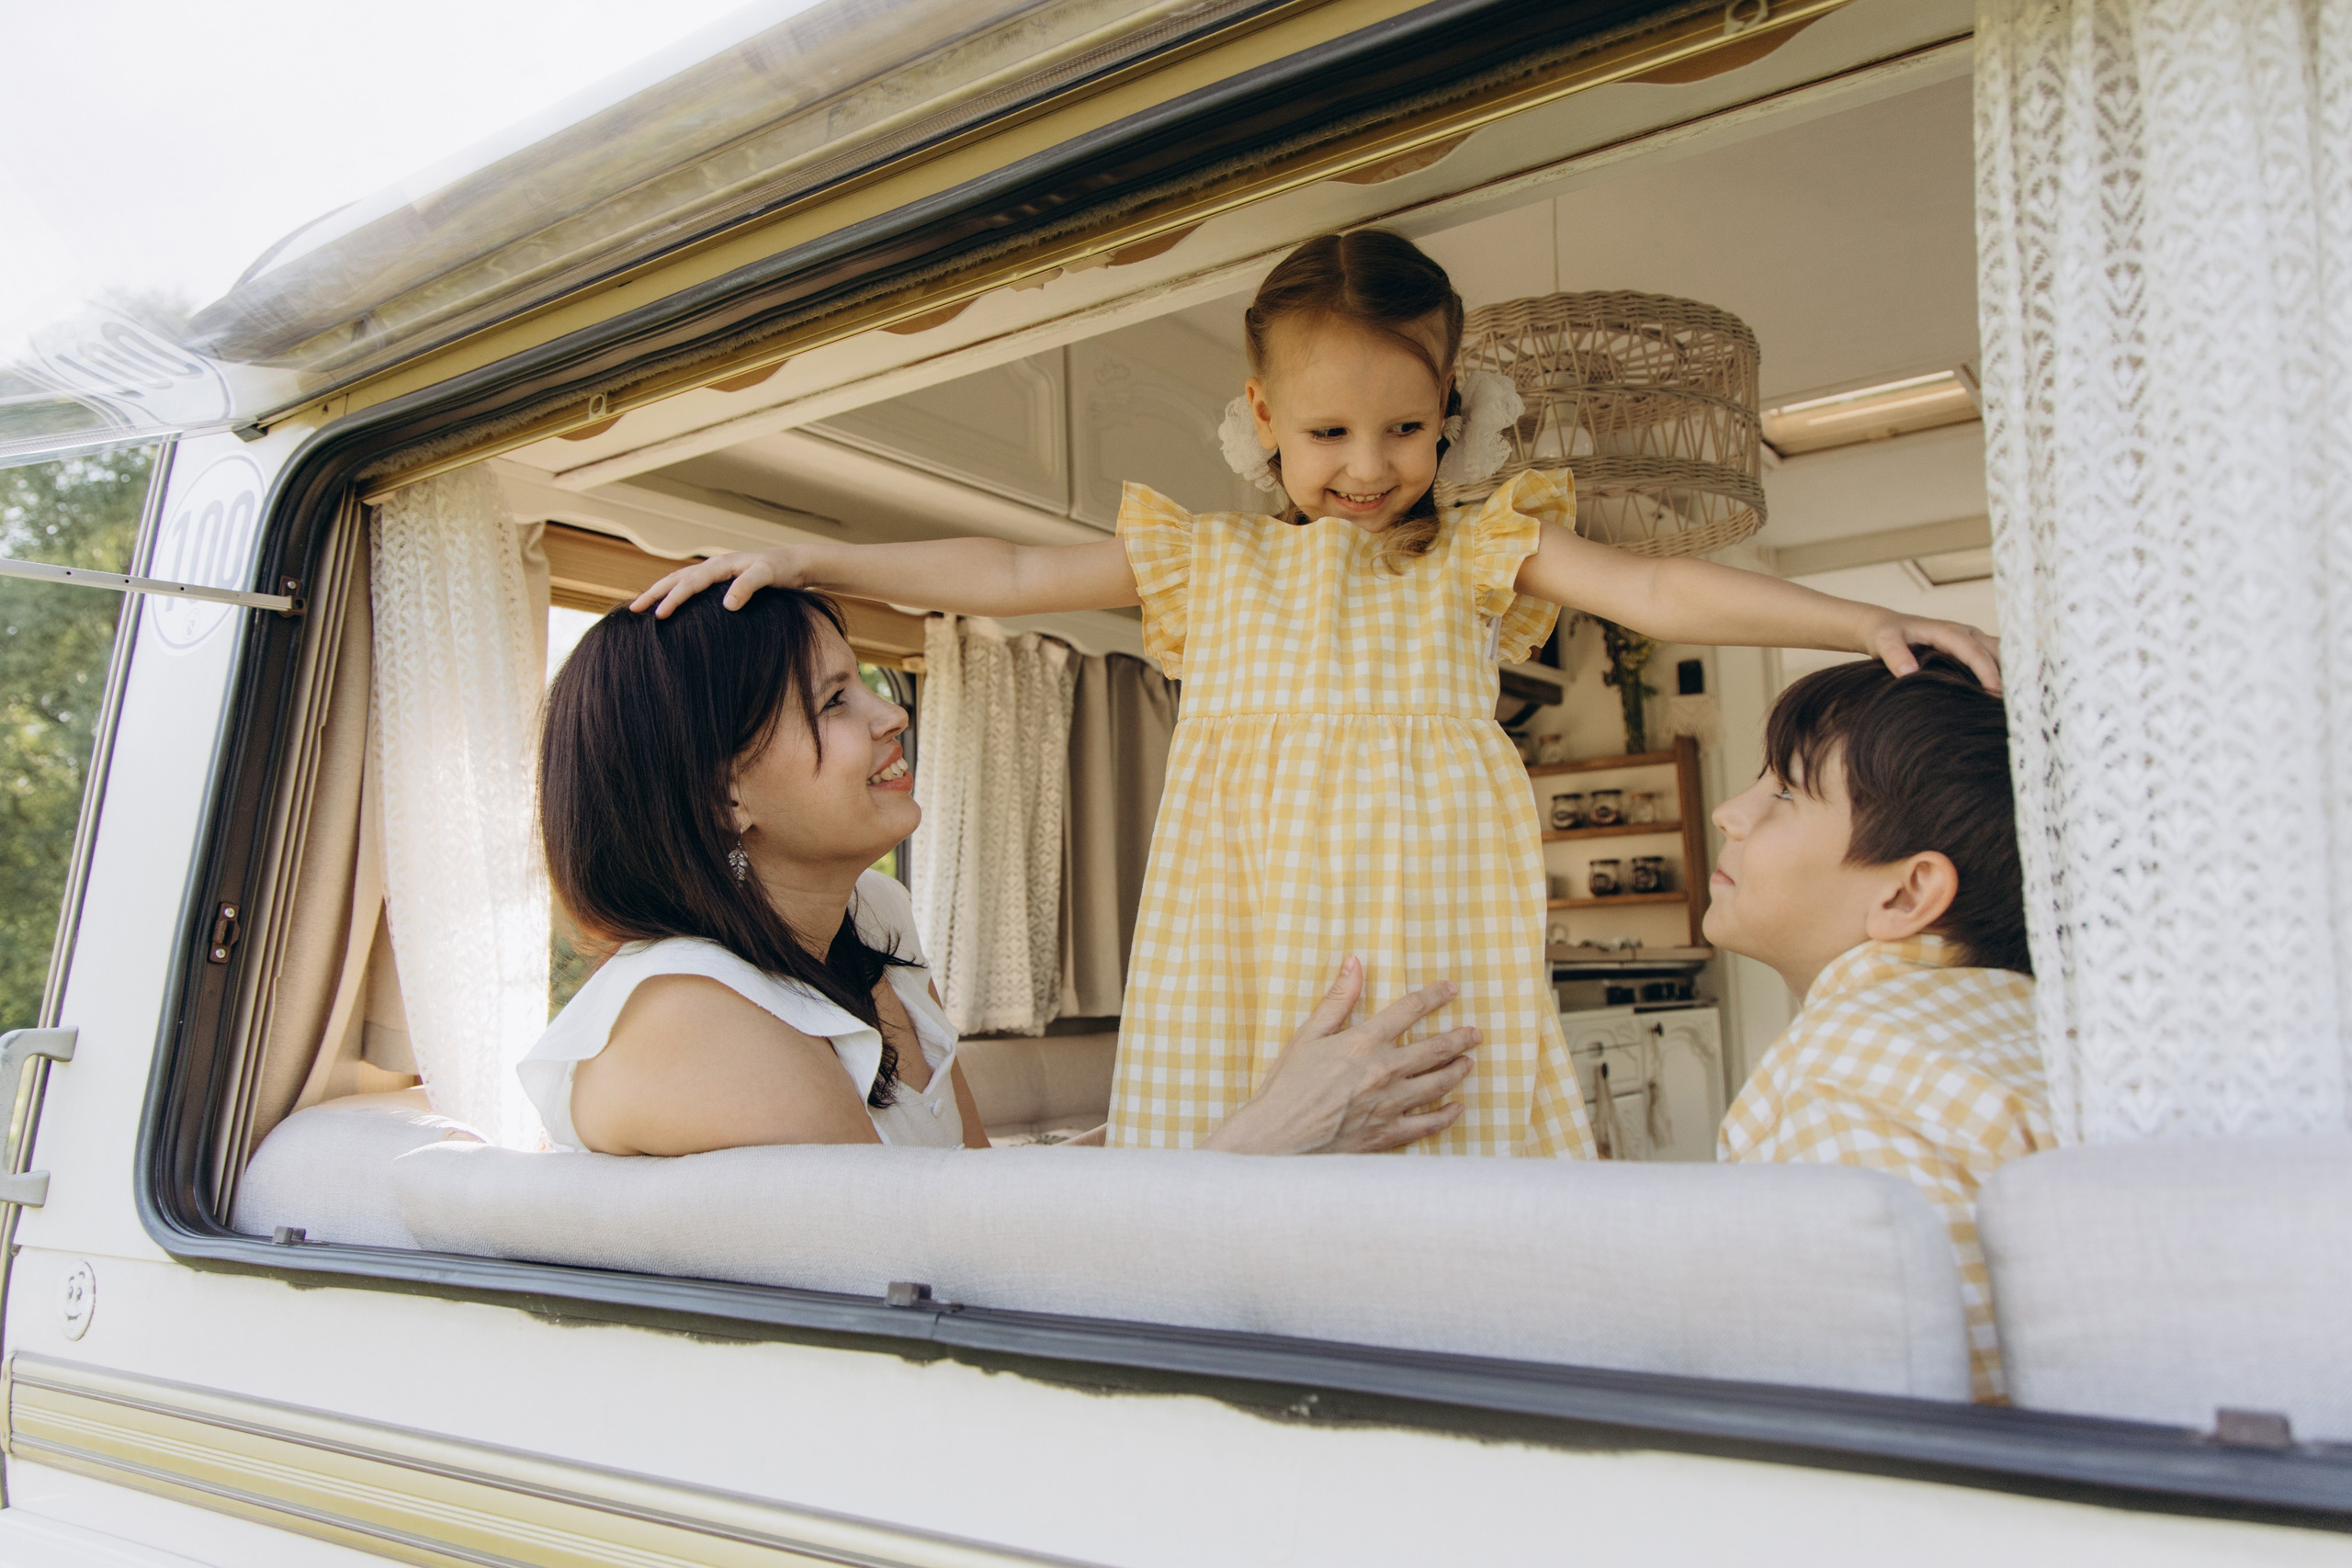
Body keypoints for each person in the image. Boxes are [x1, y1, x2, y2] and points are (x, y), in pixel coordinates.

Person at [634, 228, 2001, 1159]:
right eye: (1329, 432)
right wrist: (811, 550)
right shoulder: (1206, 561)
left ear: (1453, 410)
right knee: (1258, 1150)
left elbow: (1657, 591)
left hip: (1428, 924)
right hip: (1248, 939)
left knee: (1449, 1143)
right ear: (1263, 418)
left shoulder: (1477, 548)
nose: (1368, 464)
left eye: (1406, 427)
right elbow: (1003, 563)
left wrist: (1859, 613)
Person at [522, 585, 1478, 1157]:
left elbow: (973, 1202)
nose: (890, 716)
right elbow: (931, 1289)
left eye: (868, 683)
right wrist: (1268, 1140)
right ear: (724, 796)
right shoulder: (690, 1020)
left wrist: (1252, 1111)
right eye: (831, 701)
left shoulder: (874, 929)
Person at [1708, 651, 2051, 1402]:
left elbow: (1873, 1408)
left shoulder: (1849, 1075)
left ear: (1906, 892)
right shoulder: (2027, 1020)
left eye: (1785, 793)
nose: (1730, 811)